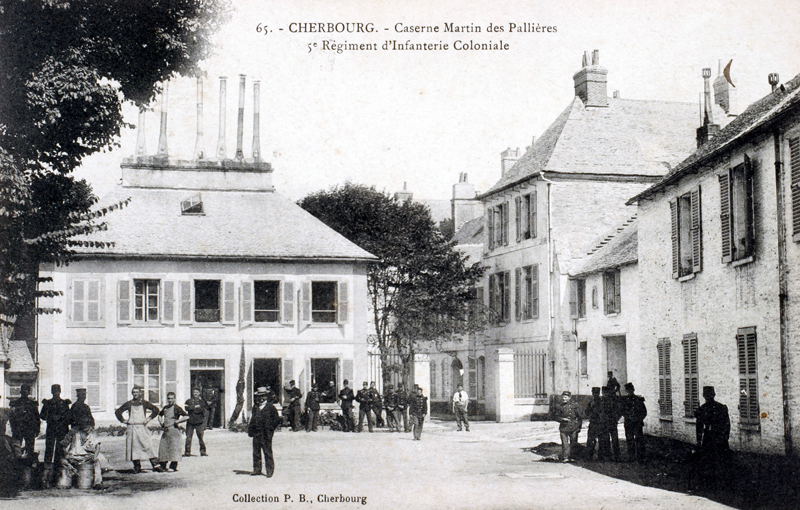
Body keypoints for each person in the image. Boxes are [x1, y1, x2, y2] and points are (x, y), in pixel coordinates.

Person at [114, 386, 163, 473]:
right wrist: (124, 421)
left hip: (141, 427)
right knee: (134, 448)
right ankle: (137, 466)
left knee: (148, 445)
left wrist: (148, 419)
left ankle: (156, 465)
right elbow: (118, 412)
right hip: (132, 427)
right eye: (134, 392)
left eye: (137, 392)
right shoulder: (129, 403)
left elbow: (156, 409)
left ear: (140, 393)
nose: (135, 394)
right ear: (132, 393)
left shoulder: (144, 403)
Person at [693, 385, 730, 482]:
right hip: (715, 437)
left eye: (709, 395)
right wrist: (725, 437)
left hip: (713, 436)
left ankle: (716, 479)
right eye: (707, 395)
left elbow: (699, 427)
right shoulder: (716, 408)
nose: (708, 397)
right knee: (715, 459)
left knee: (716, 459)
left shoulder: (707, 408)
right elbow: (699, 426)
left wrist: (699, 440)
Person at [248, 387, 281, 477]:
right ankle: (257, 469)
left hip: (266, 434)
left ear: (266, 397)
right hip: (256, 433)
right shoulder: (255, 407)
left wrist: (270, 429)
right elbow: (252, 419)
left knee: (267, 452)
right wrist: (250, 430)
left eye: (263, 396)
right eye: (259, 396)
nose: (261, 398)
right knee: (256, 452)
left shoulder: (271, 407)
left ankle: (269, 471)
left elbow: (277, 420)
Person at [40, 384, 71, 467]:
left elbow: (68, 417)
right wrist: (50, 417)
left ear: (60, 392)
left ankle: (58, 466)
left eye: (57, 392)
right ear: (51, 392)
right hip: (51, 428)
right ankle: (48, 467)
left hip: (61, 428)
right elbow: (42, 416)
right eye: (54, 392)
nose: (56, 393)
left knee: (60, 448)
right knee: (49, 447)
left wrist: (61, 418)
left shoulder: (64, 403)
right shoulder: (47, 403)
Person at [158, 392, 188, 472]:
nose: (170, 400)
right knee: (163, 448)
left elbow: (186, 416)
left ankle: (173, 466)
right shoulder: (165, 408)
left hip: (174, 431)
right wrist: (161, 423)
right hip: (166, 430)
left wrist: (178, 421)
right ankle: (163, 466)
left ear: (174, 399)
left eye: (172, 398)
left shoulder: (177, 408)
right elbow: (160, 415)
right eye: (169, 398)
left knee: (174, 448)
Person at [9, 383, 40, 458]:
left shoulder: (33, 404)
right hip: (18, 429)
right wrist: (13, 428)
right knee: (16, 449)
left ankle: (28, 465)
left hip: (29, 429)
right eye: (24, 391)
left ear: (29, 392)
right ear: (21, 392)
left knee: (29, 450)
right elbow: (11, 417)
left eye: (27, 391)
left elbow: (36, 418)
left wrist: (37, 429)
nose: (25, 393)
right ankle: (17, 465)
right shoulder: (15, 403)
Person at [622, 382, 647, 462]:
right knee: (629, 440)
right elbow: (622, 411)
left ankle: (640, 457)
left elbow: (644, 412)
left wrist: (639, 419)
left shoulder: (638, 400)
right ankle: (631, 457)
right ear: (626, 391)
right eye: (628, 390)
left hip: (637, 423)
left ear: (633, 390)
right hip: (629, 423)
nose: (629, 391)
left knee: (639, 440)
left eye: (631, 389)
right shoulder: (625, 401)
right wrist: (628, 416)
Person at [554, 390, 581, 462]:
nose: (564, 399)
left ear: (569, 398)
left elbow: (579, 417)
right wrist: (562, 419)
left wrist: (578, 427)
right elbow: (556, 417)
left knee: (573, 443)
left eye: (566, 397)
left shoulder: (574, 405)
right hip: (563, 427)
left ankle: (573, 457)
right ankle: (565, 457)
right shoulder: (559, 406)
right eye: (563, 397)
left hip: (573, 427)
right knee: (564, 443)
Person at [598, 386, 622, 461]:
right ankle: (607, 456)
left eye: (606, 392)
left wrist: (616, 419)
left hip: (612, 423)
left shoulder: (613, 401)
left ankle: (617, 456)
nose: (605, 394)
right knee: (605, 440)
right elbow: (598, 412)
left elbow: (619, 411)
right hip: (604, 423)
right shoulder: (600, 401)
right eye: (603, 393)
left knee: (615, 440)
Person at [184, 387, 209, 456]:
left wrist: (204, 424)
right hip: (190, 422)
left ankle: (203, 451)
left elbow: (204, 412)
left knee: (200, 438)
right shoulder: (188, 401)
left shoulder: (202, 402)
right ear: (192, 393)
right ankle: (187, 452)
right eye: (194, 392)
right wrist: (194, 407)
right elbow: (186, 408)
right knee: (188, 437)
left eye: (197, 392)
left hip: (199, 422)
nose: (195, 394)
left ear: (199, 393)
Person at [584, 387, 602, 460]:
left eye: (596, 393)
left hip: (600, 423)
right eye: (594, 393)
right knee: (591, 440)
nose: (595, 395)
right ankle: (589, 455)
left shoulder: (602, 402)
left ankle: (601, 456)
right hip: (593, 423)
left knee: (601, 440)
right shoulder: (591, 402)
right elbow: (587, 412)